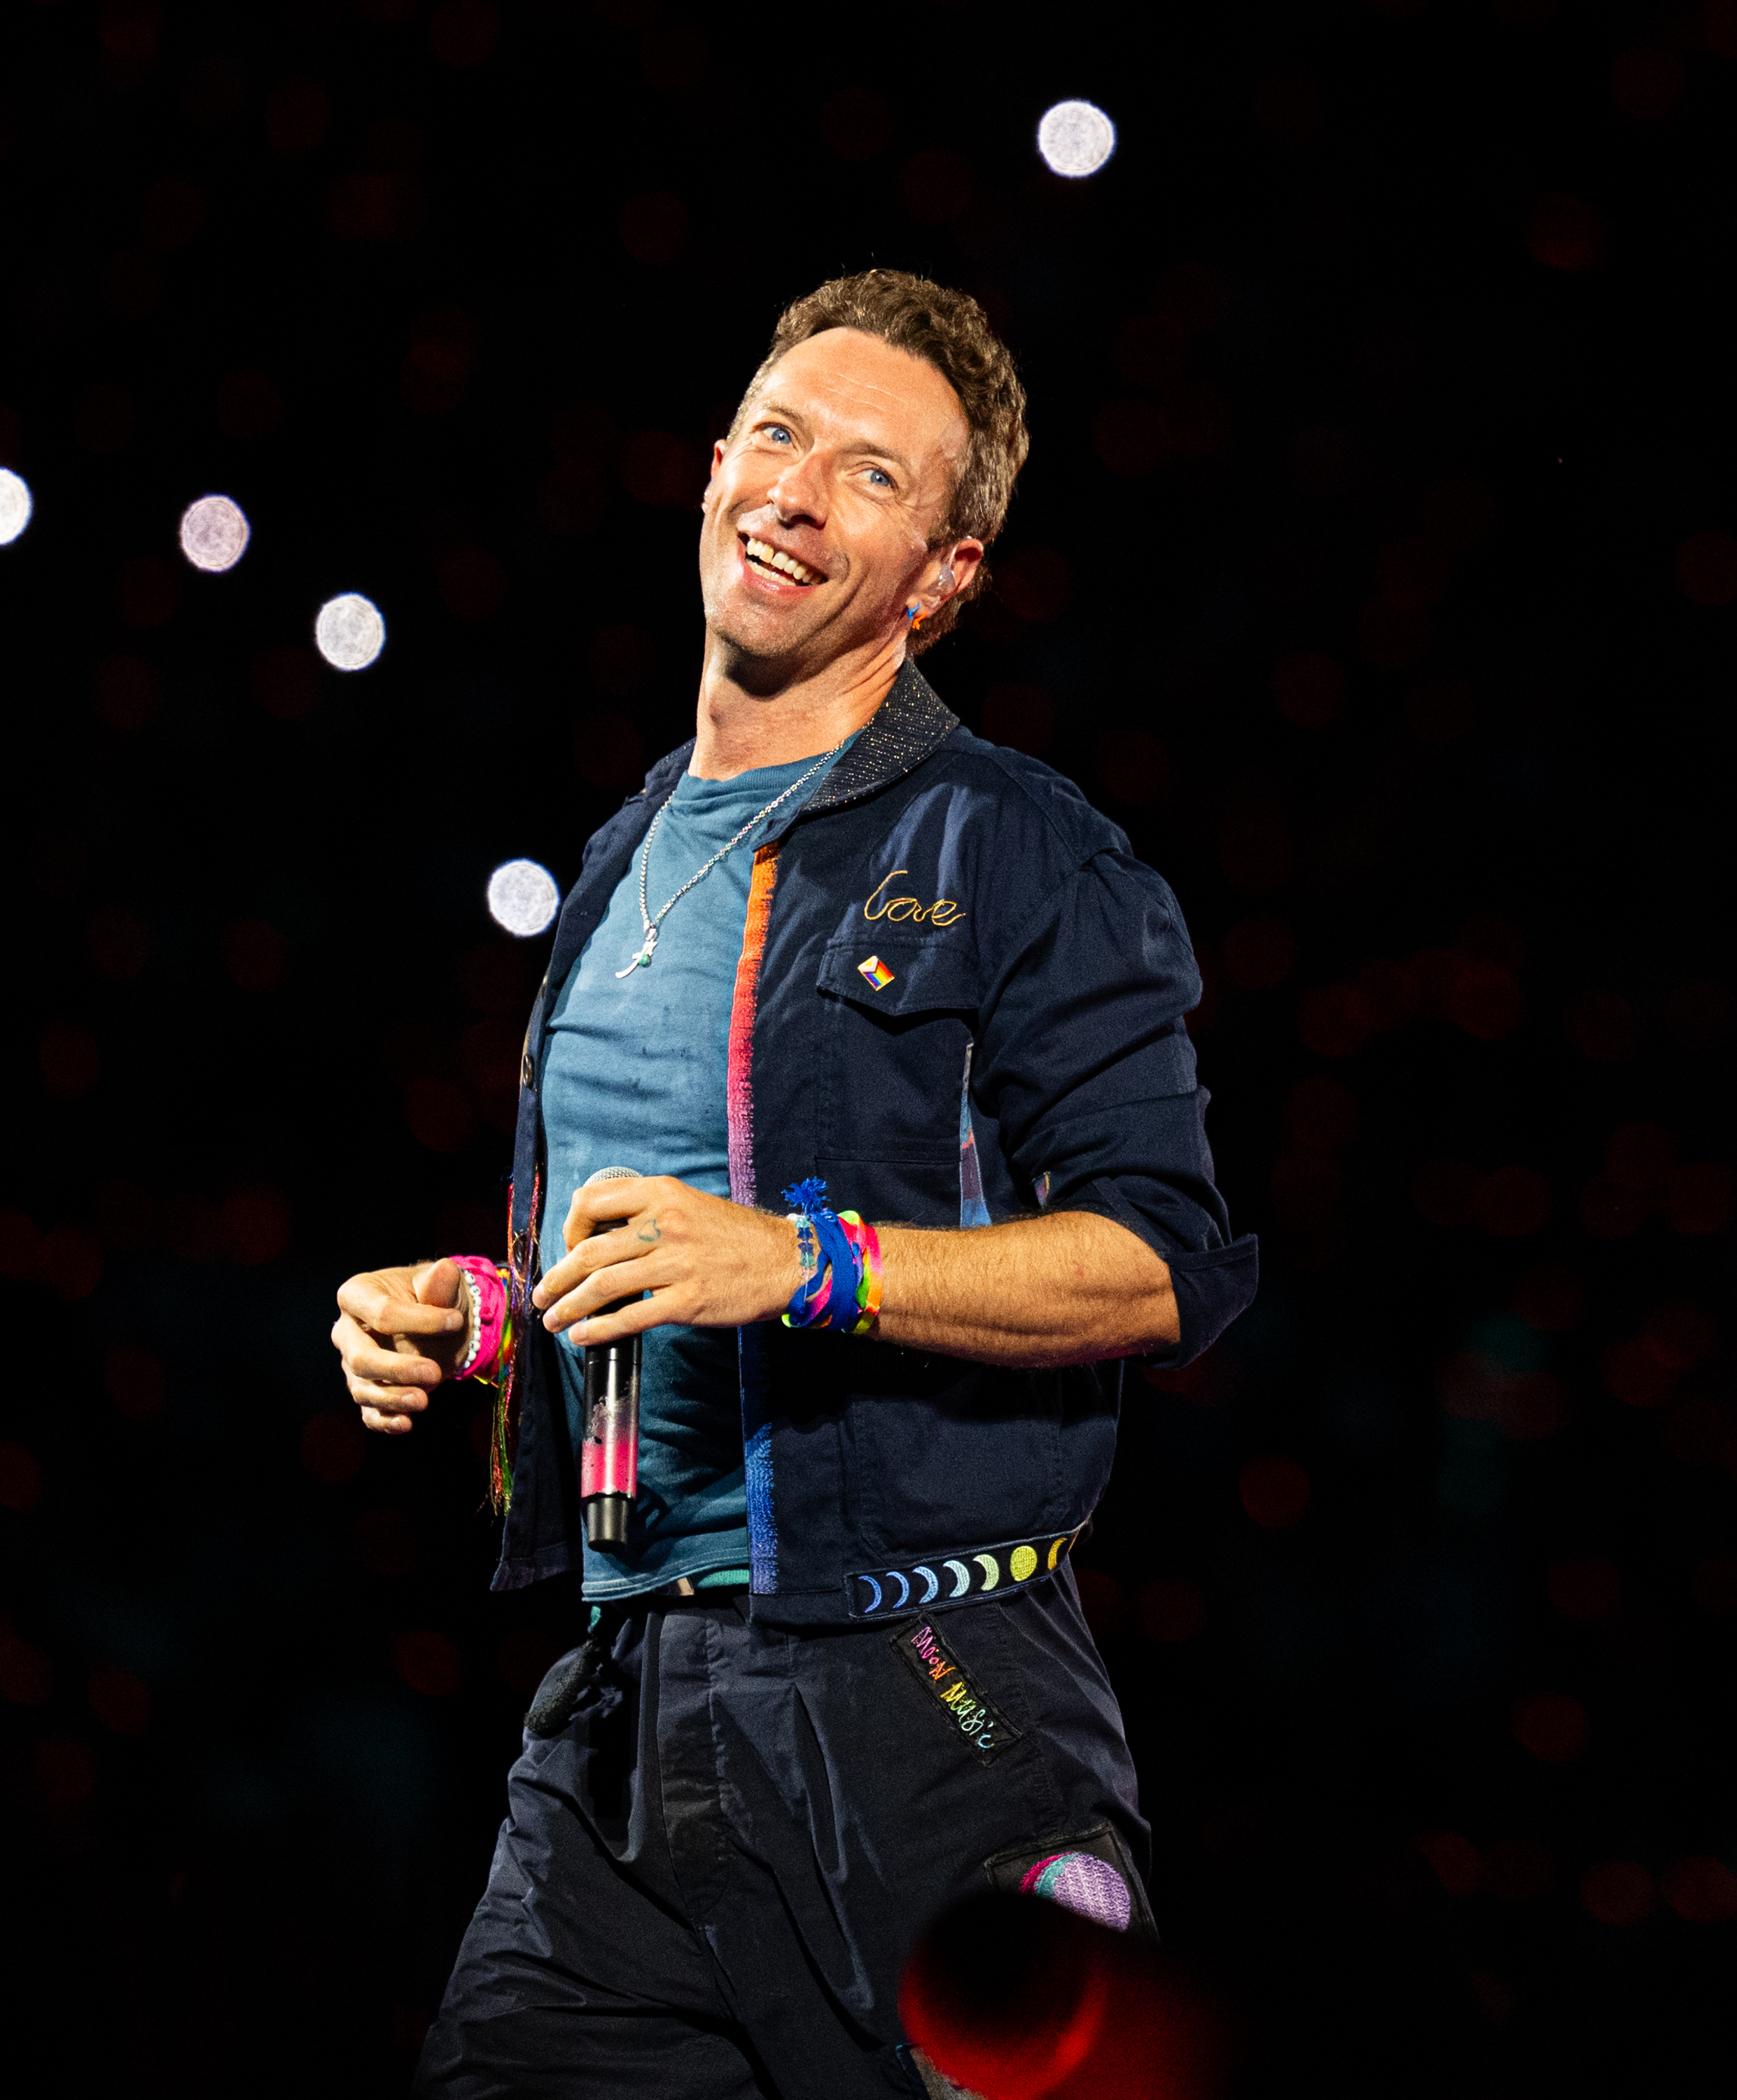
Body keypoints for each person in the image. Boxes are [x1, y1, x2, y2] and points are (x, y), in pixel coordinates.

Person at [331, 270, 1256, 2100]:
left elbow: (1163, 1265)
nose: (797, 494)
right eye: (777, 436)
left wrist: (808, 1266)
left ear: (944, 575)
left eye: (872, 475)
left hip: (925, 1697)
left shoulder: (1018, 847)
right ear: (709, 468)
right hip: (622, 1720)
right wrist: (488, 1317)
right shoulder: (619, 859)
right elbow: (666, 1251)